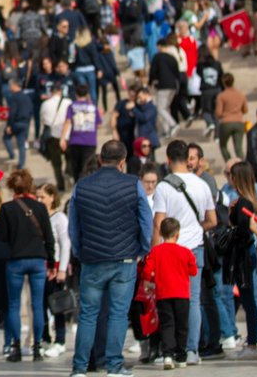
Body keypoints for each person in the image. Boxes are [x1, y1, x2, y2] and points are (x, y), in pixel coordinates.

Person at [69, 140, 151, 377]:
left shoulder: (81, 186)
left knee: (88, 314)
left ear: (100, 158)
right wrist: (142, 250)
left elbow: (74, 227)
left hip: (92, 258)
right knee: (117, 313)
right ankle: (114, 365)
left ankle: (80, 367)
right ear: (123, 161)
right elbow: (146, 221)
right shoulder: (133, 184)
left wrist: (79, 252)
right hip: (124, 258)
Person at [152, 139, 216, 365]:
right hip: (194, 249)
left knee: (167, 302)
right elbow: (212, 220)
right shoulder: (202, 185)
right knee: (193, 301)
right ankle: (191, 350)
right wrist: (195, 228)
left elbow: (158, 224)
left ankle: (171, 350)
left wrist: (153, 253)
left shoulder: (163, 187)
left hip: (170, 250)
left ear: (168, 159)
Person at [0, 169, 53, 362]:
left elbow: (3, 238)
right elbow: (49, 237)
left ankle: (16, 347)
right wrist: (52, 262)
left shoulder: (7, 208)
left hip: (16, 259)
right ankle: (37, 347)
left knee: (14, 305)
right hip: (38, 259)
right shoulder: (40, 207)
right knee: (37, 305)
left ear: (12, 185)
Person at [143, 218, 196, 369]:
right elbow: (193, 270)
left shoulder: (156, 251)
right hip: (182, 294)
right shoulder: (185, 252)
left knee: (167, 324)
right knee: (182, 325)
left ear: (160, 233)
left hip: (163, 294)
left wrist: (147, 281)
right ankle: (181, 356)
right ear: (177, 234)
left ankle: (167, 355)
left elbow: (147, 269)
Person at [225, 161, 257, 360]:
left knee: (248, 299)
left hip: (244, 255)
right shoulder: (249, 200)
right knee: (249, 299)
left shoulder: (243, 203)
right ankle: (253, 340)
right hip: (247, 253)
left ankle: (252, 343)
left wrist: (230, 217)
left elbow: (242, 231)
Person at [35, 183, 71, 358]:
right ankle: (44, 338)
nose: (40, 200)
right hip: (39, 266)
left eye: (43, 197)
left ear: (52, 197)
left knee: (57, 304)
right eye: (38, 197)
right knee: (40, 305)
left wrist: (62, 269)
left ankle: (60, 340)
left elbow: (65, 244)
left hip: (55, 266)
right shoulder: (37, 216)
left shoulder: (60, 218)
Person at [59, 83, 101, 184]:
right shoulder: (93, 107)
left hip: (75, 140)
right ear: (87, 94)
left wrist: (62, 138)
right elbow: (98, 124)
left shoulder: (72, 106)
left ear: (76, 94)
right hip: (89, 141)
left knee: (76, 168)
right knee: (87, 167)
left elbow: (68, 121)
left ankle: (77, 187)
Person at [214, 74, 248, 161]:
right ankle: (242, 166)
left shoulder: (221, 96)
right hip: (239, 122)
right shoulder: (240, 94)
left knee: (223, 146)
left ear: (223, 83)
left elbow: (219, 113)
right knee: (238, 148)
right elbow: (245, 110)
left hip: (226, 123)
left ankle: (229, 163)